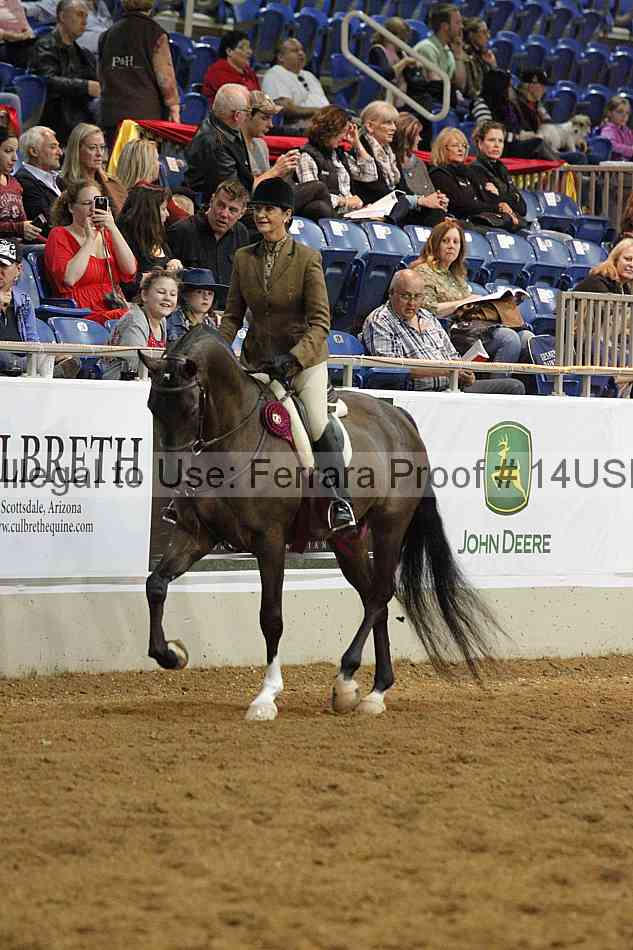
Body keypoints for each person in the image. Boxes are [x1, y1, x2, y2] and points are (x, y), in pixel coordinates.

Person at [219, 178, 356, 533]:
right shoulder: (243, 258)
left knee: (315, 422)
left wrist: (294, 358)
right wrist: (218, 348)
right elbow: (232, 316)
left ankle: (339, 500)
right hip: (259, 361)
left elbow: (321, 322)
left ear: (287, 215)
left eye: (268, 210)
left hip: (302, 363)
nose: (261, 215)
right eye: (257, 209)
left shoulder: (307, 259)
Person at [361, 269, 525, 394]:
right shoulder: (380, 320)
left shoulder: (427, 316)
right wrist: (448, 371)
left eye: (417, 297)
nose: (412, 303)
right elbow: (393, 369)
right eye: (406, 296)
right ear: (391, 294)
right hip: (420, 394)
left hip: (453, 387)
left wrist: (466, 373)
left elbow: (453, 357)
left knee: (514, 386)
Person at [410, 219, 533, 365]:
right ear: (435, 243)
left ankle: (518, 381)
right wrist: (462, 302)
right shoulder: (423, 271)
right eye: (445, 241)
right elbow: (427, 310)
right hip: (448, 332)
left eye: (456, 242)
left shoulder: (457, 275)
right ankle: (499, 380)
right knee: (509, 338)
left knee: (527, 338)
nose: (451, 246)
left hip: (470, 327)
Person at [45, 178, 137, 323]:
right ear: (71, 207)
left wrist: (113, 228)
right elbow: (69, 279)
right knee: (130, 319)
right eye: (87, 203)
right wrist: (89, 240)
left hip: (113, 305)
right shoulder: (59, 235)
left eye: (98, 202)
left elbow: (130, 269)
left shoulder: (108, 235)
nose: (93, 209)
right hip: (82, 312)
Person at [98, 0, 180, 150]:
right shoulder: (155, 34)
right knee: (142, 163)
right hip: (145, 117)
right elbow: (165, 78)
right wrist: (174, 107)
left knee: (115, 162)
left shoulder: (107, 34)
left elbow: (102, 76)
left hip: (112, 115)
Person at [354, 101, 448, 225]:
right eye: (388, 123)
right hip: (373, 208)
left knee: (435, 211)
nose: (394, 128)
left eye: (394, 123)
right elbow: (377, 191)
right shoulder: (361, 149)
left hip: (394, 206)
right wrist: (418, 200)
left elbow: (403, 188)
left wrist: (429, 200)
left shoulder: (389, 153)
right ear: (370, 126)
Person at [28, 0, 99, 144]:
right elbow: (47, 80)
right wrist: (85, 86)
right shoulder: (44, 46)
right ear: (62, 16)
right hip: (57, 113)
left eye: (86, 16)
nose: (85, 22)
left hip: (80, 112)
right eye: (80, 15)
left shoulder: (84, 54)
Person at [294, 105, 377, 220]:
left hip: (349, 213)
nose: (344, 137)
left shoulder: (339, 155)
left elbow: (370, 175)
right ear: (330, 131)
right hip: (330, 214)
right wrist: (345, 201)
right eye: (343, 132)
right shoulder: (307, 156)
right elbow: (313, 195)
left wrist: (357, 143)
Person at [166, 179, 250, 283]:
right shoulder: (181, 231)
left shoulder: (241, 233)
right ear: (211, 201)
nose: (224, 214)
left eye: (232, 210)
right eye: (220, 205)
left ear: (242, 213)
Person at [429, 127, 515, 227]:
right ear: (443, 148)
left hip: (476, 222)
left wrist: (500, 203)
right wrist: (497, 208)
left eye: (464, 146)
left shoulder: (468, 172)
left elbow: (485, 199)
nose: (461, 149)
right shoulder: (439, 174)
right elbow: (463, 205)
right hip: (456, 225)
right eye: (455, 145)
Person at [184, 84, 253, 203]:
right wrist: (273, 172)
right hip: (221, 205)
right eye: (248, 111)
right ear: (237, 115)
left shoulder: (217, 125)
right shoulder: (215, 144)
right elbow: (232, 192)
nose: (248, 117)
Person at [471, 69, 555, 160]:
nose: (511, 89)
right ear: (498, 87)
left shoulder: (504, 104)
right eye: (508, 86)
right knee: (537, 143)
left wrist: (524, 134)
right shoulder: (480, 104)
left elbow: (514, 127)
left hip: (511, 144)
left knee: (539, 141)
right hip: (499, 147)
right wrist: (517, 137)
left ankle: (559, 163)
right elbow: (487, 132)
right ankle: (560, 164)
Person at [116, 182, 181, 299]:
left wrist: (173, 262)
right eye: (163, 209)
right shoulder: (124, 240)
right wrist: (147, 279)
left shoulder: (158, 238)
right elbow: (124, 284)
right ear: (149, 213)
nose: (167, 214)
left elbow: (167, 262)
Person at [109, 268, 176, 377]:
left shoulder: (162, 320)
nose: (168, 298)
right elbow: (136, 363)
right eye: (161, 292)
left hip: (147, 378)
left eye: (173, 294)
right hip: (121, 381)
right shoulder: (134, 321)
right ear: (144, 295)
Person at [113, 136, 189, 225]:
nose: (159, 164)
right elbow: (182, 218)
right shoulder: (152, 197)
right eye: (156, 159)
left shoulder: (113, 191)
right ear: (146, 164)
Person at [467, 121, 527, 230]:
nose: (496, 145)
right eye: (491, 140)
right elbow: (490, 201)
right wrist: (511, 197)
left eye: (500, 141)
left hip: (508, 224)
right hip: (488, 226)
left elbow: (522, 208)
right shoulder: (474, 169)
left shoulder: (502, 169)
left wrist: (499, 193)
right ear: (480, 143)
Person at [59, 122, 127, 216]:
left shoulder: (113, 183)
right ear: (77, 150)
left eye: (102, 147)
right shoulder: (62, 185)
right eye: (92, 148)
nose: (99, 154)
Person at [261, 38, 329, 131]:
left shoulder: (309, 75)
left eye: (302, 50)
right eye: (295, 51)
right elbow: (286, 109)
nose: (301, 53)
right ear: (281, 57)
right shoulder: (275, 74)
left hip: (324, 124)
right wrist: (317, 111)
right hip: (299, 130)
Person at [242, 90, 299, 184]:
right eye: (265, 118)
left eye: (271, 118)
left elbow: (267, 184)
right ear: (247, 116)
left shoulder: (261, 145)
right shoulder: (235, 147)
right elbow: (243, 188)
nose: (271, 125)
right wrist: (276, 170)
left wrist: (284, 172)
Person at [0, 238, 39, 376]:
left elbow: (33, 342)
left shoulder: (24, 301)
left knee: (53, 356)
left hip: (20, 362)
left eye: (3, 265)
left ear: (18, 270)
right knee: (4, 357)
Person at [16, 126, 63, 236]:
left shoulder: (59, 179)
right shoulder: (24, 181)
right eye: (53, 147)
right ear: (34, 151)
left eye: (58, 147)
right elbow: (47, 223)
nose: (60, 152)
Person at [23, 0, 113, 56]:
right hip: (85, 55)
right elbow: (37, 9)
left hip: (108, 51)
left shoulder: (101, 4)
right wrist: (19, 9)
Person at [413, 2, 466, 96]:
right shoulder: (426, 48)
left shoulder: (448, 50)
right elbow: (436, 88)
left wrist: (458, 55)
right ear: (445, 26)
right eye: (458, 23)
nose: (462, 27)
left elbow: (460, 85)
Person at [0, 127, 43, 239]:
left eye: (16, 151)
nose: (15, 158)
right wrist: (19, 228)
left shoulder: (15, 184)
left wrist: (50, 242)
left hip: (18, 244)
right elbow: (20, 227)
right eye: (8, 151)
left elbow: (23, 223)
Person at [201, 31, 260, 106]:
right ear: (229, 51)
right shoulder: (217, 71)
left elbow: (259, 97)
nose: (249, 52)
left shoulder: (250, 72)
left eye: (248, 47)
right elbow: (237, 100)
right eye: (241, 48)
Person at [167, 267, 222, 342]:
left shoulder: (212, 325)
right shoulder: (172, 320)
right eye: (199, 292)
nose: (206, 297)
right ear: (185, 295)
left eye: (210, 293)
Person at [462, 17, 496, 100]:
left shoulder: (482, 55)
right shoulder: (466, 56)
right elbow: (471, 91)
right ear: (471, 35)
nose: (488, 36)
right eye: (484, 32)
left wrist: (492, 65)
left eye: (488, 32)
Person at [599, 96, 633, 162]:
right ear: (609, 113)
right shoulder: (608, 130)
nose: (624, 116)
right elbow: (611, 145)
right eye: (620, 112)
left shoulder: (627, 131)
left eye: (627, 113)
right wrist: (631, 150)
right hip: (612, 166)